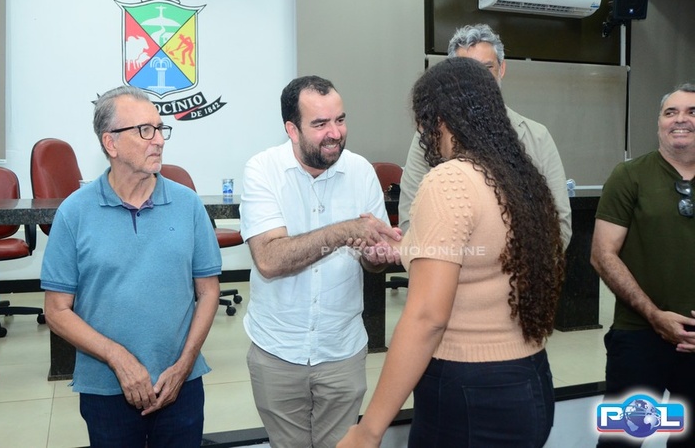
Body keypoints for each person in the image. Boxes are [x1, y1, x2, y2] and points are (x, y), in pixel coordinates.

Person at [338, 57, 565, 448]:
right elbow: (482, 255)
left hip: (469, 391)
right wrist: (404, 246)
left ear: (438, 119)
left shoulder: (450, 180)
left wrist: (368, 430)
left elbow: (427, 318)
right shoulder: (518, 177)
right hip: (529, 379)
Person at [40, 86, 222, 448]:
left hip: (181, 382)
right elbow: (56, 311)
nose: (159, 140)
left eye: (160, 128)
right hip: (106, 388)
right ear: (111, 143)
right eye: (144, 130)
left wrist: (185, 363)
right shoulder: (74, 212)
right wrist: (117, 357)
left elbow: (208, 292)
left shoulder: (188, 205)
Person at [239, 75, 401, 448]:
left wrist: (376, 256)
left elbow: (372, 261)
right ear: (291, 129)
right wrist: (345, 231)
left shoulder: (360, 171)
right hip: (277, 350)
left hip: (342, 350)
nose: (335, 133)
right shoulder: (262, 170)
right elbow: (270, 259)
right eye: (320, 124)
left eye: (340, 120)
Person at [398, 23, 572, 248]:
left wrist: (511, 264)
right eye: (468, 72)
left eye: (487, 68)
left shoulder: (536, 136)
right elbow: (410, 222)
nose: (478, 81)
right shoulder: (431, 136)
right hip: (445, 265)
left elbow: (560, 225)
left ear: (502, 69)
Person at [591, 84, 695, 447]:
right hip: (638, 339)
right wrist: (654, 316)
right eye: (671, 112)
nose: (681, 119)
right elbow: (603, 254)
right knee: (620, 441)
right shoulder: (629, 176)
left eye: (692, 112)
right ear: (659, 123)